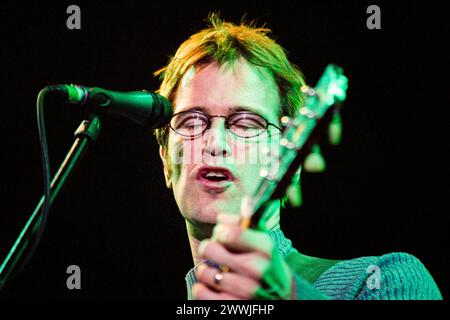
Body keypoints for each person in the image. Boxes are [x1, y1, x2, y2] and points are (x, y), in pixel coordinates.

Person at [153, 14, 442, 300]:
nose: (215, 142)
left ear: (288, 156)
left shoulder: (383, 280)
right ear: (166, 160)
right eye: (192, 121)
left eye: (245, 122)